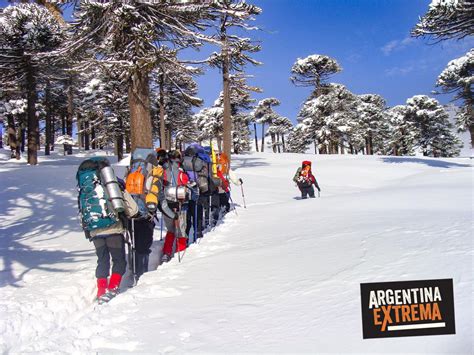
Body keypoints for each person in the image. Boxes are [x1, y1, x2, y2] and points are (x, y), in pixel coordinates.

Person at [88, 172, 138, 302]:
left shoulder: (88, 189)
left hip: (95, 231)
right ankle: (112, 288)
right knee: (118, 260)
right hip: (114, 229)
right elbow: (133, 210)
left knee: (102, 260)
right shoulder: (115, 186)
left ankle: (101, 291)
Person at [158, 150, 190, 262]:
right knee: (181, 230)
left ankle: (166, 253)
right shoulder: (182, 173)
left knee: (170, 230)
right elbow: (187, 187)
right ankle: (180, 251)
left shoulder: (163, 171)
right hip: (180, 205)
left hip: (165, 205)